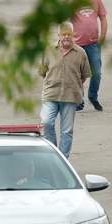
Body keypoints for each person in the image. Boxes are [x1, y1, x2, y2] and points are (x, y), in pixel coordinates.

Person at [38, 22, 91, 156]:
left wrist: (72, 84)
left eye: (69, 34)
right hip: (51, 94)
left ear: (73, 35)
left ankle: (63, 159)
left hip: (70, 96)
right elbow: (43, 72)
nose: (66, 37)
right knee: (46, 122)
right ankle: (53, 153)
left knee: (66, 131)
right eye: (64, 34)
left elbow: (84, 76)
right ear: (59, 36)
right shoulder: (49, 51)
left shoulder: (80, 53)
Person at [67, 0, 106, 112]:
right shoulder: (72, 0)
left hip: (93, 44)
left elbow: (103, 18)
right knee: (77, 74)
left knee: (96, 73)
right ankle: (79, 100)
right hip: (76, 44)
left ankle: (93, 96)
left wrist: (103, 36)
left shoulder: (96, 0)